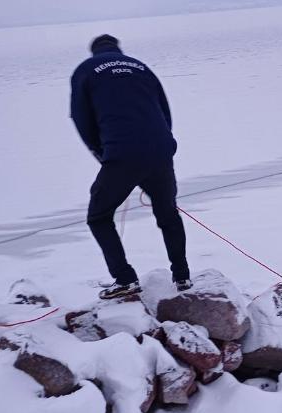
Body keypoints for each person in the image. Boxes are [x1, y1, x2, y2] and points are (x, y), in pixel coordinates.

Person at [70, 34, 191, 299]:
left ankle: (125, 279)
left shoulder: (85, 71)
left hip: (122, 153)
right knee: (168, 214)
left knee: (99, 217)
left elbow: (81, 118)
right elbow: (164, 110)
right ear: (118, 50)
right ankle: (182, 277)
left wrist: (102, 154)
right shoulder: (140, 66)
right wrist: (161, 145)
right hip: (160, 149)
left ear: (94, 53)